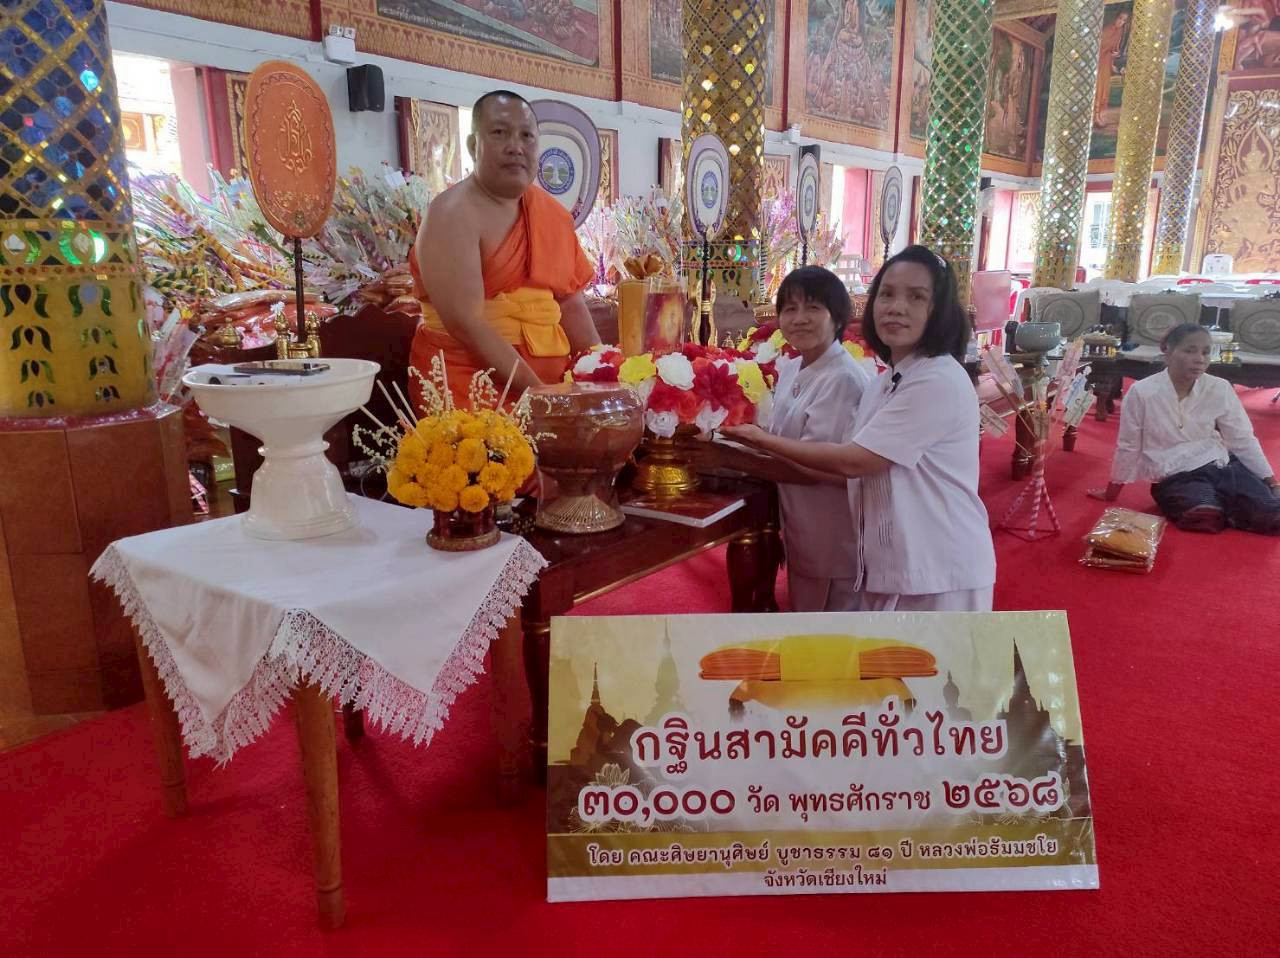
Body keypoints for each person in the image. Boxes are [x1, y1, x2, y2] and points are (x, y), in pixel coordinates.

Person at [721, 245, 997, 612]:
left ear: (939, 310)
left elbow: (853, 461)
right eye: (886, 294)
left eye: (916, 297)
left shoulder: (937, 379)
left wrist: (758, 443)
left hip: (938, 567)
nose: (896, 307)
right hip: (890, 561)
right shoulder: (887, 381)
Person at [690, 266, 869, 611]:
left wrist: (731, 459)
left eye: (813, 308)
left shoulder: (842, 379)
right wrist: (725, 437)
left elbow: (819, 468)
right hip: (801, 526)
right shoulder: (792, 368)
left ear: (837, 317)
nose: (799, 318)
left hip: (833, 534)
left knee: (830, 634)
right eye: (790, 308)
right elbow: (781, 443)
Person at [408, 90, 600, 408]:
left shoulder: (551, 214)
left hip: (552, 384)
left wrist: (602, 372)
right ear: (473, 146)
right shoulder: (452, 213)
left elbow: (570, 303)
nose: (515, 146)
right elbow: (466, 324)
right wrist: (541, 396)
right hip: (468, 380)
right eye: (499, 133)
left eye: (526, 136)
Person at [1088, 323, 1280, 534]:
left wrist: (1271, 482)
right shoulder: (1141, 392)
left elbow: (1242, 438)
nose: (1200, 359)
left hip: (1222, 467)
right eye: (1190, 351)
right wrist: (1112, 491)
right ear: (1166, 350)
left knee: (1273, 514)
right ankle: (1229, 506)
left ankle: (1233, 504)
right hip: (1178, 477)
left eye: (1206, 352)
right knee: (1204, 515)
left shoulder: (1219, 388)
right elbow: (1129, 445)